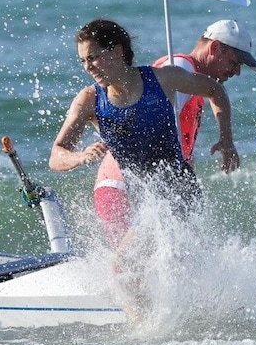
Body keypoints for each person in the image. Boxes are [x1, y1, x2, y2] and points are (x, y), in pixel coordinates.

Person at [49, 19, 239, 246]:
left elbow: (214, 89)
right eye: (83, 61)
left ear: (118, 51)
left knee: (150, 266)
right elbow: (56, 155)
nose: (88, 67)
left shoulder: (163, 79)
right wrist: (80, 157)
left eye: (93, 57)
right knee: (132, 267)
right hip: (140, 197)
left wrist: (226, 139)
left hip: (179, 190)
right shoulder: (89, 100)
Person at [92, 20, 256, 247]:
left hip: (142, 184)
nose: (237, 72)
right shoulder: (180, 66)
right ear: (215, 48)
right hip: (125, 184)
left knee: (177, 260)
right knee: (132, 269)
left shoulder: (192, 81)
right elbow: (145, 128)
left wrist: (223, 142)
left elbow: (173, 141)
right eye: (234, 62)